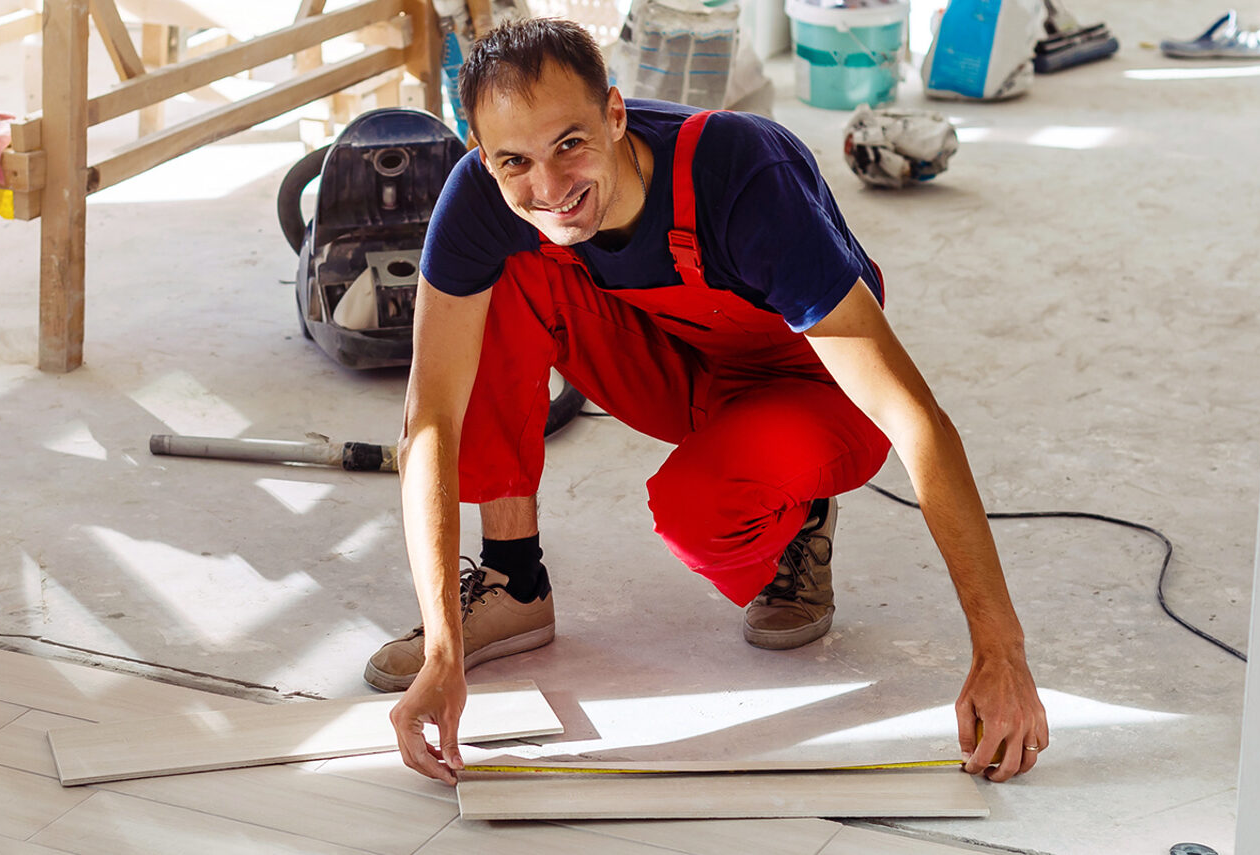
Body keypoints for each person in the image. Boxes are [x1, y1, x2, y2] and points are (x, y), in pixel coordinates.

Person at [376, 17, 1048, 785]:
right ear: (482, 155)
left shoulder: (740, 173)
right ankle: (513, 578)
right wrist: (442, 648)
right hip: (687, 368)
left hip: (817, 390)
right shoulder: (486, 196)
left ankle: (802, 510)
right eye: (514, 161)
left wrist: (1002, 652)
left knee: (697, 513)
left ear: (616, 114)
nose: (549, 186)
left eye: (570, 144)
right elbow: (429, 419)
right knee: (501, 276)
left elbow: (916, 422)